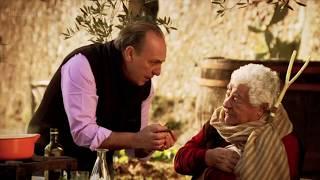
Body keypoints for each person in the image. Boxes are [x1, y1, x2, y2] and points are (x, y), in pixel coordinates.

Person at [28, 21, 176, 171]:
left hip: (99, 169)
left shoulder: (145, 86)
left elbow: (134, 150)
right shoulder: (83, 64)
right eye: (153, 62)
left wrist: (152, 142)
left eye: (161, 63)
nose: (158, 72)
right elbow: (83, 133)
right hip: (48, 164)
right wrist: (137, 139)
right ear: (130, 53)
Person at [174, 64, 300, 180]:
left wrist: (212, 174)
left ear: (261, 109)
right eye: (228, 93)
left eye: (235, 99)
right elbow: (179, 161)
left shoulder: (283, 141)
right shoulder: (218, 124)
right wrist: (207, 157)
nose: (225, 104)